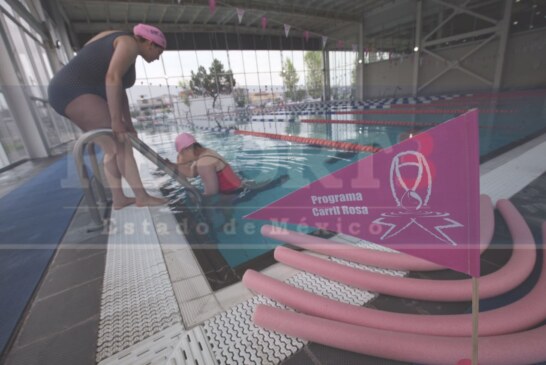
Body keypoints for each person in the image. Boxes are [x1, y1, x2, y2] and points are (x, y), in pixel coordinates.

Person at [48, 23, 167, 209]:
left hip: (70, 90)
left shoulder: (119, 41)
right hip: (73, 90)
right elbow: (111, 79)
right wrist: (115, 121)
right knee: (121, 143)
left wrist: (128, 123)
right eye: (159, 53)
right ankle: (142, 197)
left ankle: (119, 199)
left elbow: (119, 91)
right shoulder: (128, 45)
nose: (157, 59)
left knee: (112, 147)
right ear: (151, 44)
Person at [167, 132, 288, 225]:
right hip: (239, 185)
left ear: (187, 150)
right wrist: (173, 166)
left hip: (233, 192)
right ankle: (281, 179)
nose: (181, 158)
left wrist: (196, 197)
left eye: (181, 154)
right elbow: (191, 173)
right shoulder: (205, 152)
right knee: (263, 186)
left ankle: (230, 224)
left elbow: (211, 192)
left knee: (221, 206)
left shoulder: (204, 163)